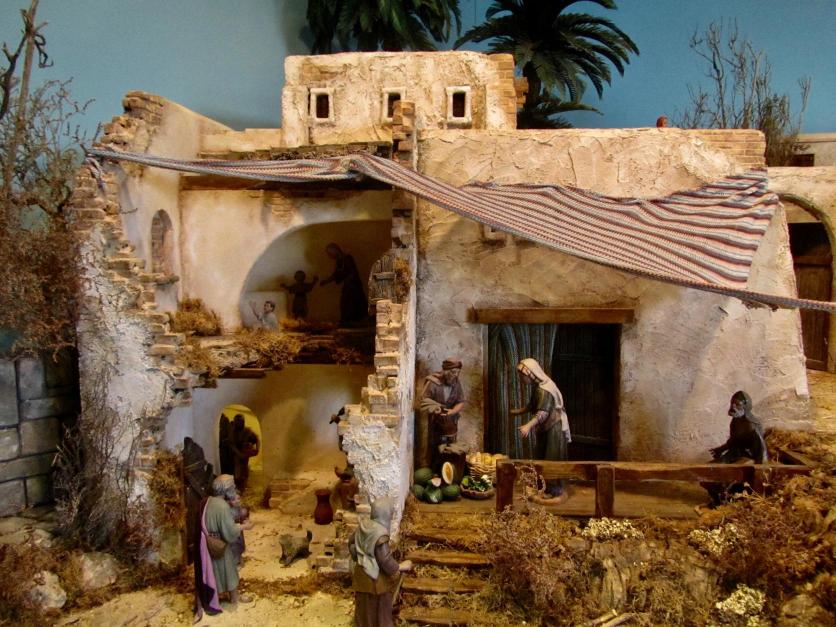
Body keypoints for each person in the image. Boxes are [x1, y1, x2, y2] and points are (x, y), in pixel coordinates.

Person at [193, 475, 254, 623]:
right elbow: (230, 532)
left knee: (214, 572)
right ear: (227, 489)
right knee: (229, 570)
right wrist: (244, 526)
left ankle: (220, 595)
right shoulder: (222, 506)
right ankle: (234, 598)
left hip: (207, 544)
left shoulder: (208, 501)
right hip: (219, 544)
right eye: (232, 486)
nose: (234, 488)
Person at [510, 358, 572, 502]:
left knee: (552, 457)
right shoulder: (538, 387)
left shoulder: (544, 390)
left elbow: (543, 413)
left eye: (522, 375)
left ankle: (555, 491)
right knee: (542, 455)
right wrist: (518, 411)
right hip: (546, 428)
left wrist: (528, 426)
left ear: (530, 373)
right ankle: (543, 486)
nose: (521, 379)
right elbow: (533, 405)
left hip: (554, 429)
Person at [348, 498, 413, 627]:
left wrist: (359, 557)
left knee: (364, 608)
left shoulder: (363, 526)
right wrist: (400, 566)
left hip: (361, 575)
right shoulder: (380, 535)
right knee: (381, 608)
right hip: (375, 579)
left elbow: (351, 544)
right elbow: (385, 560)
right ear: (385, 515)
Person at [703, 390, 768, 505]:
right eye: (732, 403)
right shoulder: (735, 421)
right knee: (707, 471)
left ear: (745, 407)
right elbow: (733, 441)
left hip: (748, 458)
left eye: (737, 404)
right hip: (735, 454)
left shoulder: (752, 425)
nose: (733, 406)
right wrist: (721, 449)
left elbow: (761, 451)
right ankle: (717, 499)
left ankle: (725, 500)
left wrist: (759, 471)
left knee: (725, 475)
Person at [320, 243, 368, 326]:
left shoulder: (347, 258)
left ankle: (354, 322)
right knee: (346, 303)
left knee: (353, 303)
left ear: (335, 250)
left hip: (354, 286)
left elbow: (353, 272)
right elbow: (336, 275)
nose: (330, 256)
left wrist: (348, 280)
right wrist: (326, 281)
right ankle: (348, 322)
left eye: (330, 253)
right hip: (348, 286)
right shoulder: (339, 261)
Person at [230, 415, 259, 493]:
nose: (239, 423)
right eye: (238, 422)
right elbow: (232, 444)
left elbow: (256, 439)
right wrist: (238, 453)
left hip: (244, 452)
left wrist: (257, 449)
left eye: (241, 421)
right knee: (237, 469)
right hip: (237, 453)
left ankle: (243, 485)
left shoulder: (247, 431)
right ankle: (238, 486)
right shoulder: (233, 432)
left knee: (244, 469)